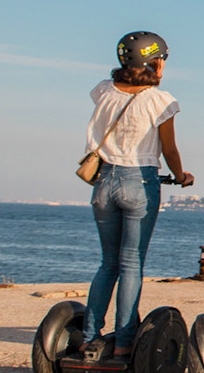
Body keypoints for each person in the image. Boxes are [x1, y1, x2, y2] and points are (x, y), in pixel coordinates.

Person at [83, 31, 194, 358]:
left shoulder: (104, 91)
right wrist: (180, 176)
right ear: (155, 62)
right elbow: (169, 149)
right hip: (139, 183)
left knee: (108, 264)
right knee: (131, 264)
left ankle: (90, 337)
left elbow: (108, 95)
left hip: (103, 181)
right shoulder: (160, 100)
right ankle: (123, 342)